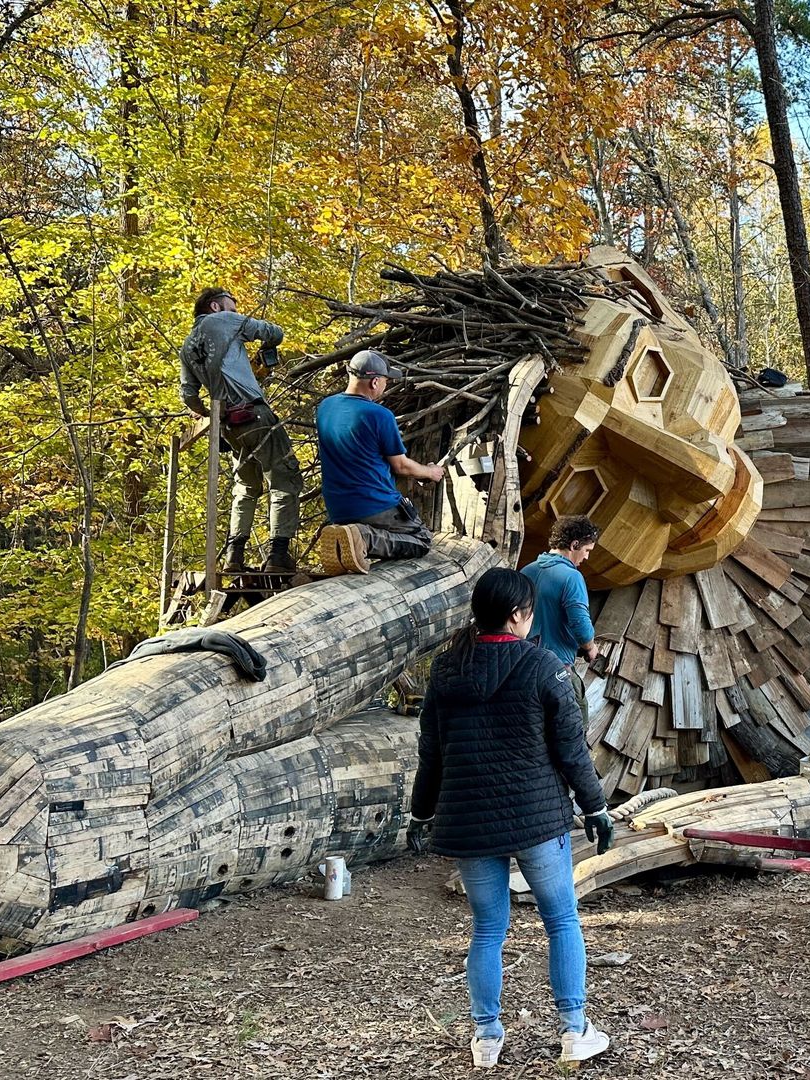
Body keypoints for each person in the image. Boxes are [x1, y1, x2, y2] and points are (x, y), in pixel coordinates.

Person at [407, 567, 616, 1068]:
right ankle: (573, 1030)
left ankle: (485, 1038)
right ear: (520, 615)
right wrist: (596, 806)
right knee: (561, 920)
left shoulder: (447, 668)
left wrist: (421, 811)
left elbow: (431, 750)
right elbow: (572, 753)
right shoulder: (546, 668)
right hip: (537, 820)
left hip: (470, 820)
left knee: (486, 929)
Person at [180, 287, 300, 574]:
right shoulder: (222, 321)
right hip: (255, 414)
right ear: (215, 306)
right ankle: (278, 555)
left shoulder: (187, 345)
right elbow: (274, 333)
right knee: (285, 477)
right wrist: (262, 340)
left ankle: (234, 554)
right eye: (232, 308)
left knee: (246, 487)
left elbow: (188, 395)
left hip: (228, 426)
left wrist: (213, 413)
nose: (236, 312)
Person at [313, 350, 446, 574]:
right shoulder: (379, 415)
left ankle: (345, 538)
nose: (385, 385)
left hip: (338, 508)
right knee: (422, 540)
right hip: (374, 505)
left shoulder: (326, 407)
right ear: (375, 382)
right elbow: (401, 466)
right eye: (385, 380)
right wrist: (430, 472)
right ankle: (364, 537)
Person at [524, 517, 601, 677]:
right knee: (579, 703)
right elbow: (580, 624)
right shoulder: (572, 577)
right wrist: (591, 648)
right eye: (587, 550)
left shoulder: (526, 571)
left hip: (523, 662)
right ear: (574, 545)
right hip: (555, 666)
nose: (586, 557)